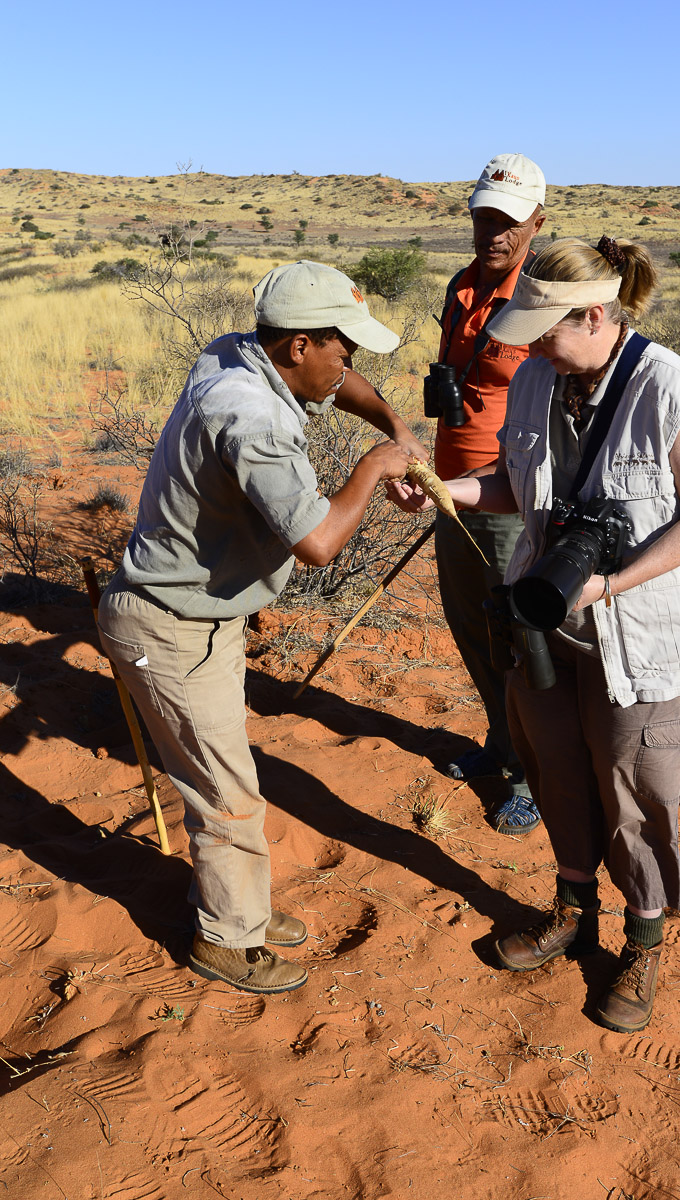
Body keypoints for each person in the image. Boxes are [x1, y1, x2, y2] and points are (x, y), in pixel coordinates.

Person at [388, 236, 680, 1033]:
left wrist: (611, 582)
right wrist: (447, 491)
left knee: (633, 793)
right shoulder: (539, 377)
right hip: (549, 620)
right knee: (554, 768)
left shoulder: (671, 390)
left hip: (646, 634)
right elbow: (517, 481)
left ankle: (642, 940)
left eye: (546, 327)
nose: (533, 345)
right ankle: (572, 907)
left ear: (593, 313)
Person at [98, 261, 422, 996]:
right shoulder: (250, 419)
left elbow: (340, 385)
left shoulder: (236, 350)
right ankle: (226, 940)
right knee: (229, 794)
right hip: (169, 625)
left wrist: (396, 424)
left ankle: (231, 899)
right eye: (343, 347)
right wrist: (374, 467)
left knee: (221, 775)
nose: (351, 365)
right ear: (298, 346)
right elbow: (315, 545)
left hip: (200, 619)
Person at [429, 152, 546, 836]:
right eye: (483, 217)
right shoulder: (461, 284)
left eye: (506, 220)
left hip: (509, 496)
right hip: (451, 484)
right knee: (471, 627)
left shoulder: (542, 296)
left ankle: (531, 776)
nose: (493, 232)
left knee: (516, 637)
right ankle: (500, 747)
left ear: (537, 220)